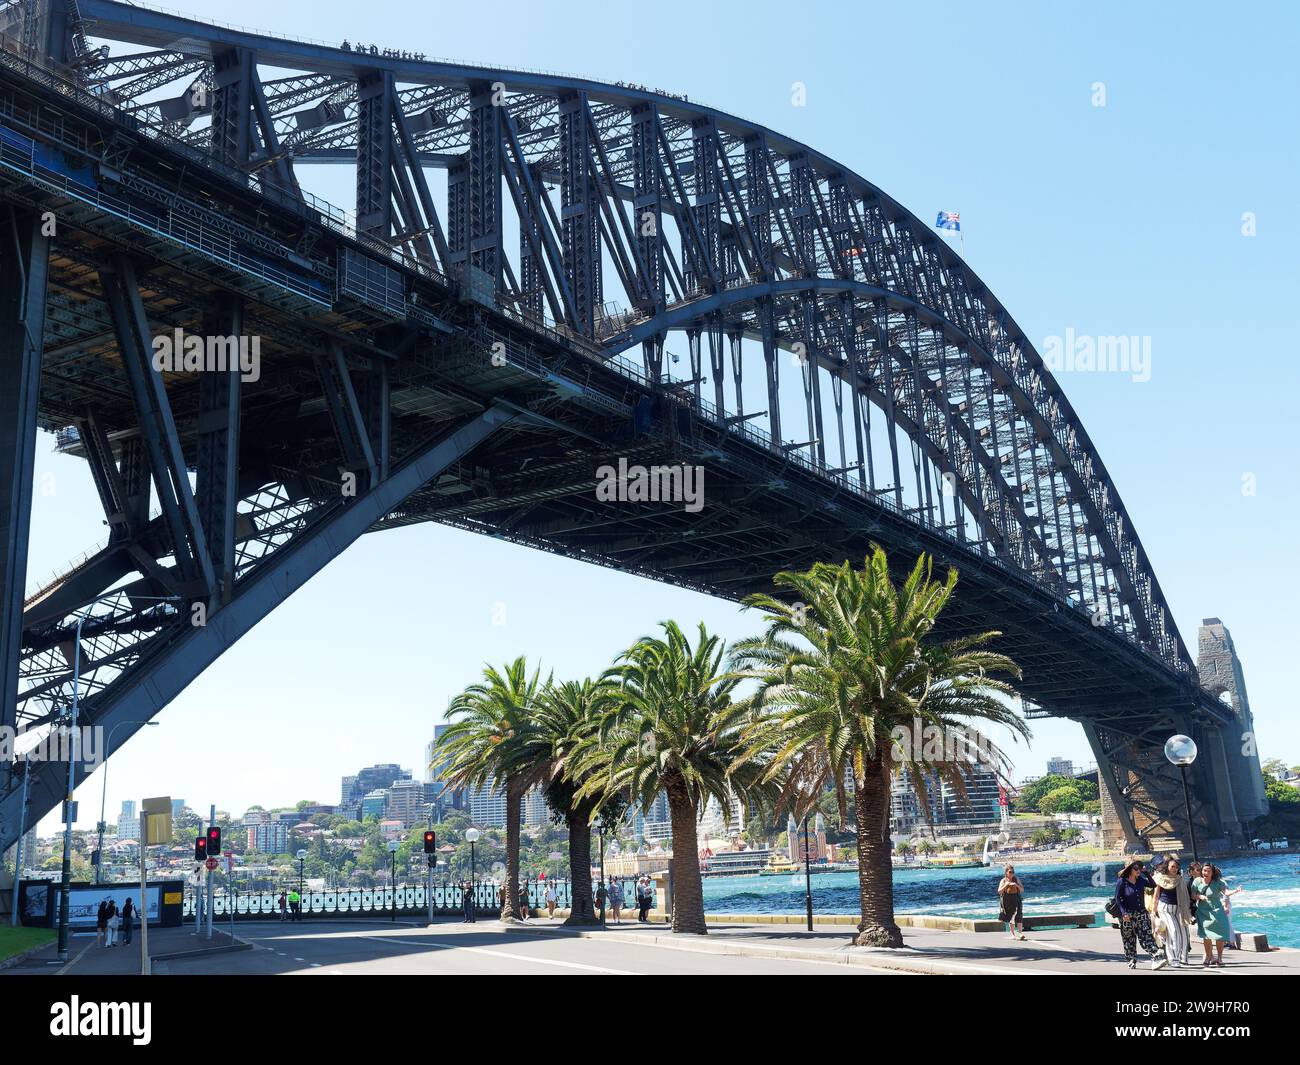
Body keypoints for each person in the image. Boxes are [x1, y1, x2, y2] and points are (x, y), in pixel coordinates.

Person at [1114, 859, 1166, 970]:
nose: (1139, 870)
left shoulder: (1140, 880)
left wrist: (1146, 872)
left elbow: (1152, 885)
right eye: (1136, 868)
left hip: (1142, 913)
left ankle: (1156, 957)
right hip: (1127, 916)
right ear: (1129, 869)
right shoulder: (1122, 881)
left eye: (1140, 867)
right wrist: (1124, 913)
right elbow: (1118, 899)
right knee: (1129, 939)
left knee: (1147, 937)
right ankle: (1131, 960)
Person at [1148, 857, 1193, 967]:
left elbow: (1185, 895)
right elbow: (1156, 895)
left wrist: (1188, 910)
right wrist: (1153, 911)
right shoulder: (1159, 878)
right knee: (1173, 931)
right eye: (1172, 866)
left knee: (1184, 933)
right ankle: (1173, 959)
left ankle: (1183, 958)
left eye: (1177, 867)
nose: (1175, 869)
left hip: (1179, 908)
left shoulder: (1179, 878)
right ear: (1167, 867)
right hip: (1165, 908)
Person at [1193, 864, 1232, 967]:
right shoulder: (1197, 881)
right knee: (1206, 936)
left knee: (1220, 936)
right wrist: (1199, 896)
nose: (1206, 873)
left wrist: (1235, 891)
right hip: (1203, 912)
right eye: (1204, 870)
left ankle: (1220, 958)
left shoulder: (1218, 882)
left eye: (1208, 871)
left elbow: (1226, 892)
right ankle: (1208, 957)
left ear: (1212, 872)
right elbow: (1193, 895)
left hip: (1217, 911)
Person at [997, 864, 1026, 940]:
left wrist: (1016, 885)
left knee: (1019, 914)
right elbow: (999, 891)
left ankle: (1020, 933)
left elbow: (1022, 890)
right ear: (1006, 872)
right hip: (1007, 900)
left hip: (1016, 898)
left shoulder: (1016, 879)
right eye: (1010, 872)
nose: (1012, 873)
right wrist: (1006, 885)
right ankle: (1013, 934)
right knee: (1011, 917)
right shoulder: (1003, 880)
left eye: (1013, 872)